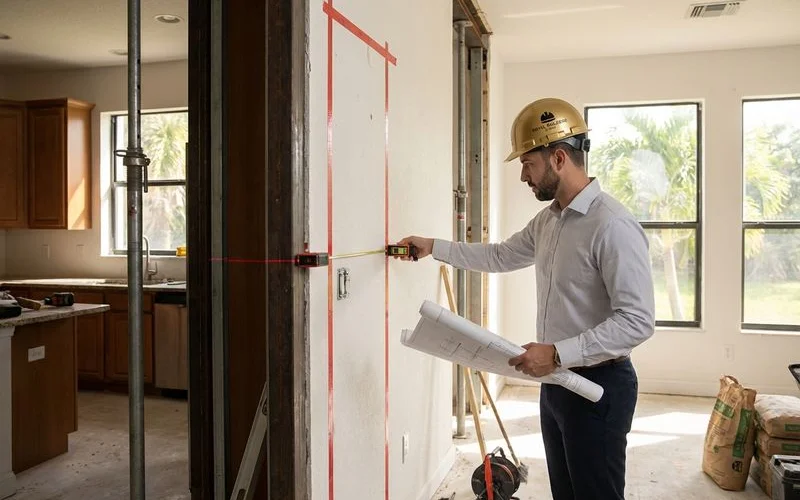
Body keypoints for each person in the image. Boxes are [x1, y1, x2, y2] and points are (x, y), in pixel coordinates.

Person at [395, 97, 656, 500]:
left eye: (526, 164)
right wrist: (434, 246)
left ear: (557, 158)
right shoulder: (550, 220)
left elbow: (637, 321)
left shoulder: (612, 225)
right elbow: (500, 255)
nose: (522, 176)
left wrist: (555, 352)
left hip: (599, 387)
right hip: (555, 385)